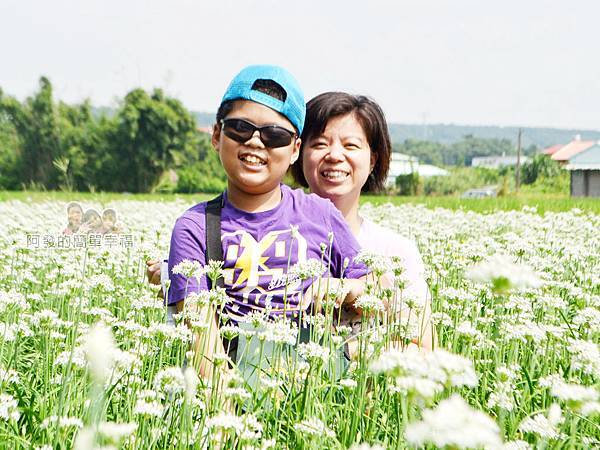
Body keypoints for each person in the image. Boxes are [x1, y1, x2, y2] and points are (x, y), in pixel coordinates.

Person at [165, 65, 372, 378]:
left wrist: (348, 287)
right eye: (240, 129)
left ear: (294, 151)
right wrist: (231, 419)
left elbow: (377, 285)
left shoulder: (321, 214)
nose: (255, 143)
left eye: (275, 136)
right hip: (230, 384)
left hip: (312, 387)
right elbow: (200, 342)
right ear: (217, 136)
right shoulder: (194, 227)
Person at [292, 92, 433, 349]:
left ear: (372, 161)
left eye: (350, 146)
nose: (335, 155)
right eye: (320, 143)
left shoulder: (396, 252)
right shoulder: (277, 241)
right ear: (298, 153)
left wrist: (344, 357)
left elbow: (423, 347)